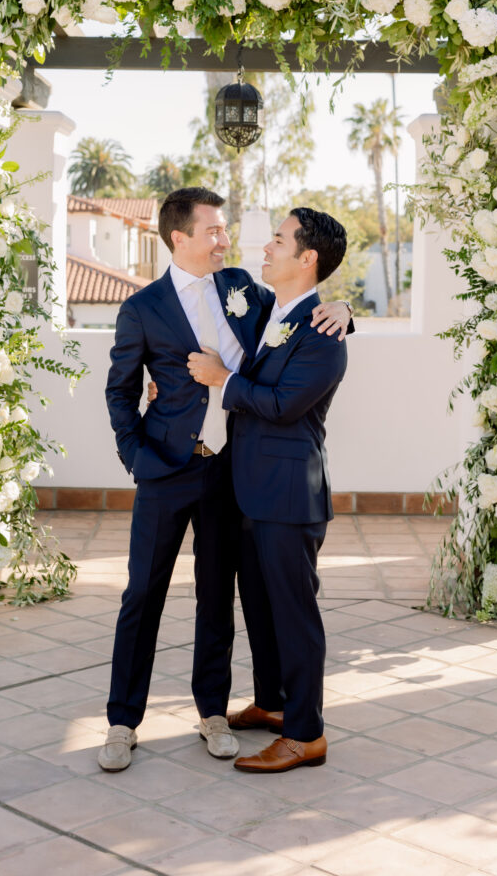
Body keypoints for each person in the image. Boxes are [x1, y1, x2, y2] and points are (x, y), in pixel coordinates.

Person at [98, 188, 352, 772]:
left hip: (229, 474)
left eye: (224, 230)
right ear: (178, 238)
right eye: (213, 231)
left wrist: (345, 311)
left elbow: (299, 316)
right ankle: (121, 720)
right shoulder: (143, 308)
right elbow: (120, 392)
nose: (225, 239)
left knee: (217, 595)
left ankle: (212, 710)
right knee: (143, 594)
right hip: (164, 472)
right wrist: (135, 454)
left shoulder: (240, 288)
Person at [186, 207, 350, 773]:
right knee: (259, 605)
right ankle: (275, 704)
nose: (266, 247)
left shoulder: (326, 337)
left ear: (307, 258)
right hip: (248, 491)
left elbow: (282, 406)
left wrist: (222, 381)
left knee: (294, 614)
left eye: (278, 240)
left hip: (288, 494)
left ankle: (306, 736)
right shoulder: (270, 313)